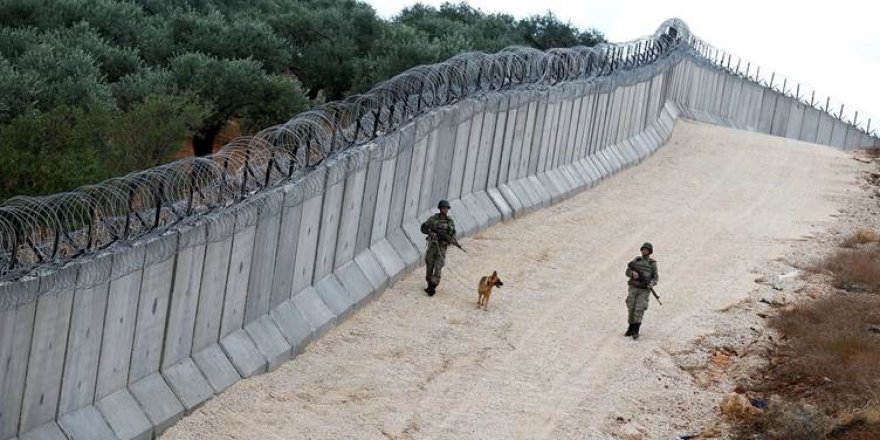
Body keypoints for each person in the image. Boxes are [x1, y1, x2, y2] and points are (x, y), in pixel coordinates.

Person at [420, 199, 456, 296]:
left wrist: (450, 240)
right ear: (440, 208)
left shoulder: (450, 222)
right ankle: (429, 283)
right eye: (443, 208)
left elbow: (453, 233)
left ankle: (433, 286)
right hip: (432, 245)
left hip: (442, 247)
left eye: (446, 208)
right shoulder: (433, 219)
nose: (445, 210)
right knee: (429, 263)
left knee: (438, 266)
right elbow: (423, 228)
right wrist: (430, 233)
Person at [624, 242, 659, 340]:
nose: (644, 251)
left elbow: (656, 278)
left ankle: (636, 330)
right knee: (631, 307)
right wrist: (633, 273)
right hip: (633, 287)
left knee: (639, 308)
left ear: (650, 252)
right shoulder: (636, 260)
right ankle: (630, 327)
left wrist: (651, 284)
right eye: (643, 249)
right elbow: (627, 272)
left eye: (646, 250)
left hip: (644, 290)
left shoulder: (652, 264)